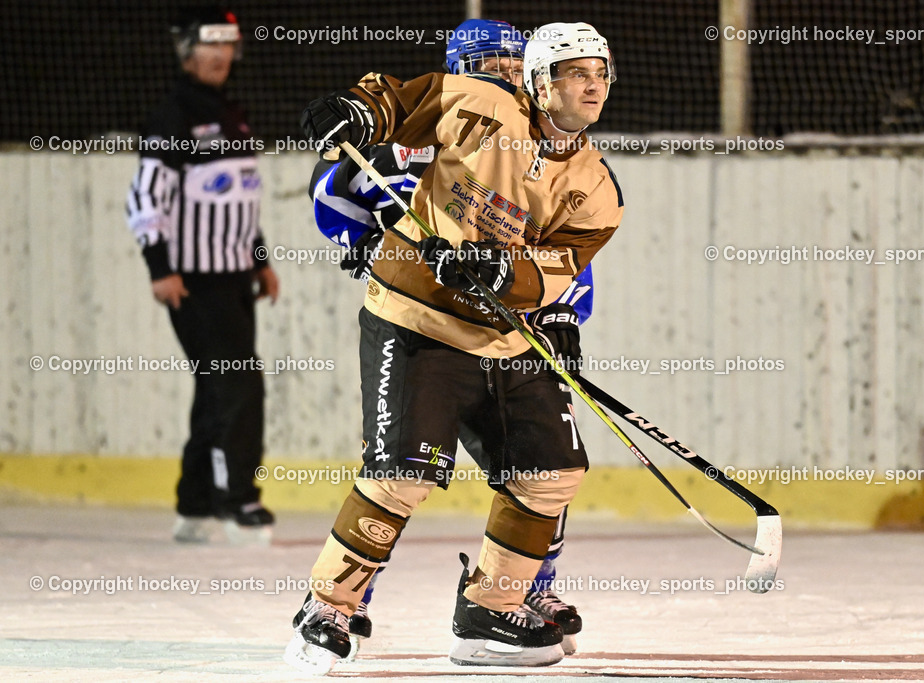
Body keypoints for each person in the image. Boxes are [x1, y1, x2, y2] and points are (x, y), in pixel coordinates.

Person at [286, 21, 620, 672]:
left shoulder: (598, 185)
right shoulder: (483, 105)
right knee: (401, 474)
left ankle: (493, 607)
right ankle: (329, 606)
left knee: (551, 472)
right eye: (576, 73)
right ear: (539, 82)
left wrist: (511, 279)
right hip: (419, 319)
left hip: (506, 333)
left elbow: (560, 264)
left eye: (601, 73)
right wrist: (358, 110)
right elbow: (400, 101)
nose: (593, 86)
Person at [125, 6, 279, 545]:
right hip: (193, 281)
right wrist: (159, 268)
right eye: (208, 46)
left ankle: (194, 507)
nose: (218, 56)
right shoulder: (174, 115)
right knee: (239, 387)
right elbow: (145, 197)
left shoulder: (231, 112)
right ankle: (237, 501)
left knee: (217, 388)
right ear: (186, 50)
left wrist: (259, 259)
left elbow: (238, 200)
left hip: (235, 278)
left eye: (226, 46)